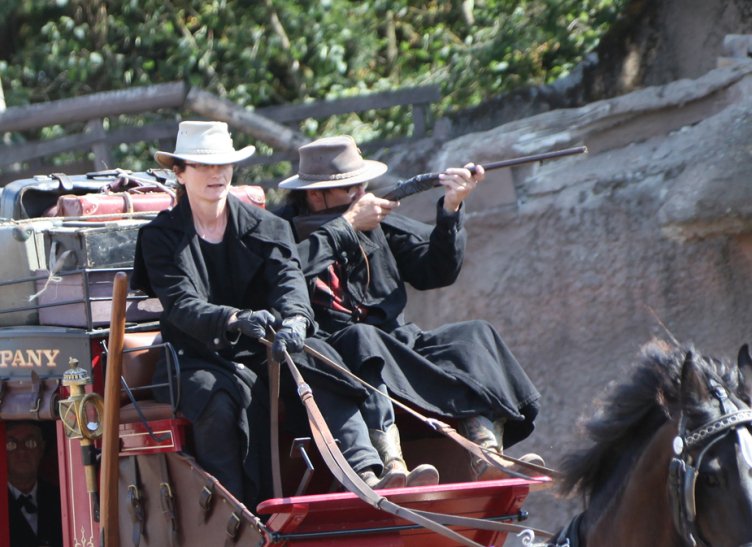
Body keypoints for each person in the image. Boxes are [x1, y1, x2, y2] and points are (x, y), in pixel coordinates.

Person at [131, 120, 394, 503]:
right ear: (180, 172)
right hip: (194, 359)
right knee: (215, 398)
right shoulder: (159, 237)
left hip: (266, 351)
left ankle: (365, 473)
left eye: (223, 164)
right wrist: (234, 319)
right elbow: (182, 305)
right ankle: (237, 518)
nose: (216, 174)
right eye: (203, 165)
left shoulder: (267, 226)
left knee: (318, 360)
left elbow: (289, 283)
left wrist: (296, 322)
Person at [277, 135, 545, 481]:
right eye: (350, 191)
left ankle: (485, 456)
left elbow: (436, 271)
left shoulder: (377, 224)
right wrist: (345, 228)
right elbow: (282, 274)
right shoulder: (281, 231)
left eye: (363, 187)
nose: (362, 196)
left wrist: (451, 208)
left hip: (398, 344)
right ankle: (392, 465)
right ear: (315, 194)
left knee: (474, 335)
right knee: (363, 338)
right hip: (335, 354)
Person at [2, 421, 64, 547]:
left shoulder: (62, 498)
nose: (21, 451)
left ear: (42, 448)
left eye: (30, 442)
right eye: (11, 444)